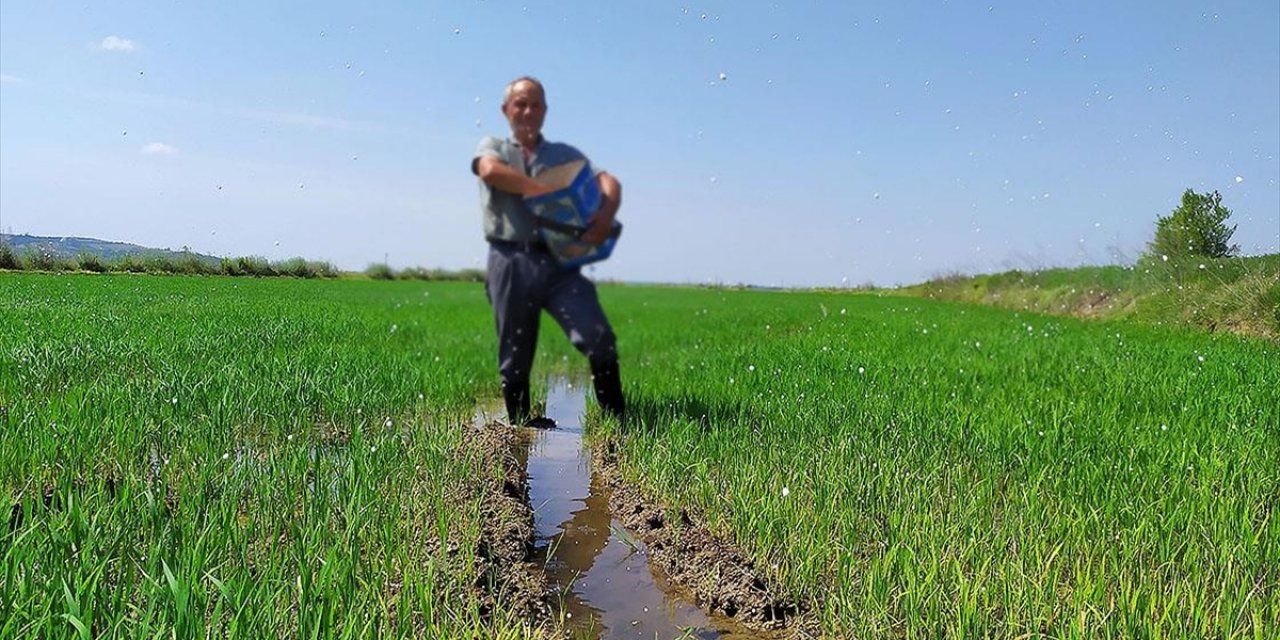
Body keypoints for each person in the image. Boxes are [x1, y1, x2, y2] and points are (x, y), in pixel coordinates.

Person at [471, 76, 625, 427]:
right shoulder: (494, 146)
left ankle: (617, 422)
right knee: (515, 350)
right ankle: (521, 424)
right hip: (510, 259)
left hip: (560, 264)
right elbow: (489, 171)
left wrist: (605, 216)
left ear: (545, 111)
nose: (528, 111)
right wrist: (542, 190)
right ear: (506, 110)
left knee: (598, 335)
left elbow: (608, 181)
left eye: (535, 104)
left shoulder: (563, 155)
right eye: (520, 104)